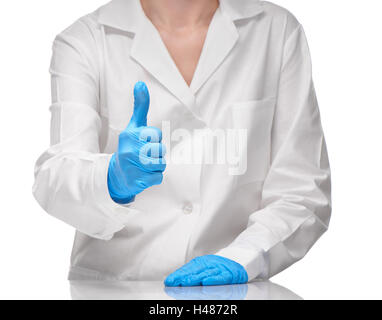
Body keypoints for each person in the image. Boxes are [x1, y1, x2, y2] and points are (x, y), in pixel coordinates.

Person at [33, 0, 331, 286]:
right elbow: (56, 174)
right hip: (116, 288)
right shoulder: (85, 41)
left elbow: (301, 191)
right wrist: (111, 179)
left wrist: (243, 258)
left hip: (229, 295)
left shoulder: (276, 32)